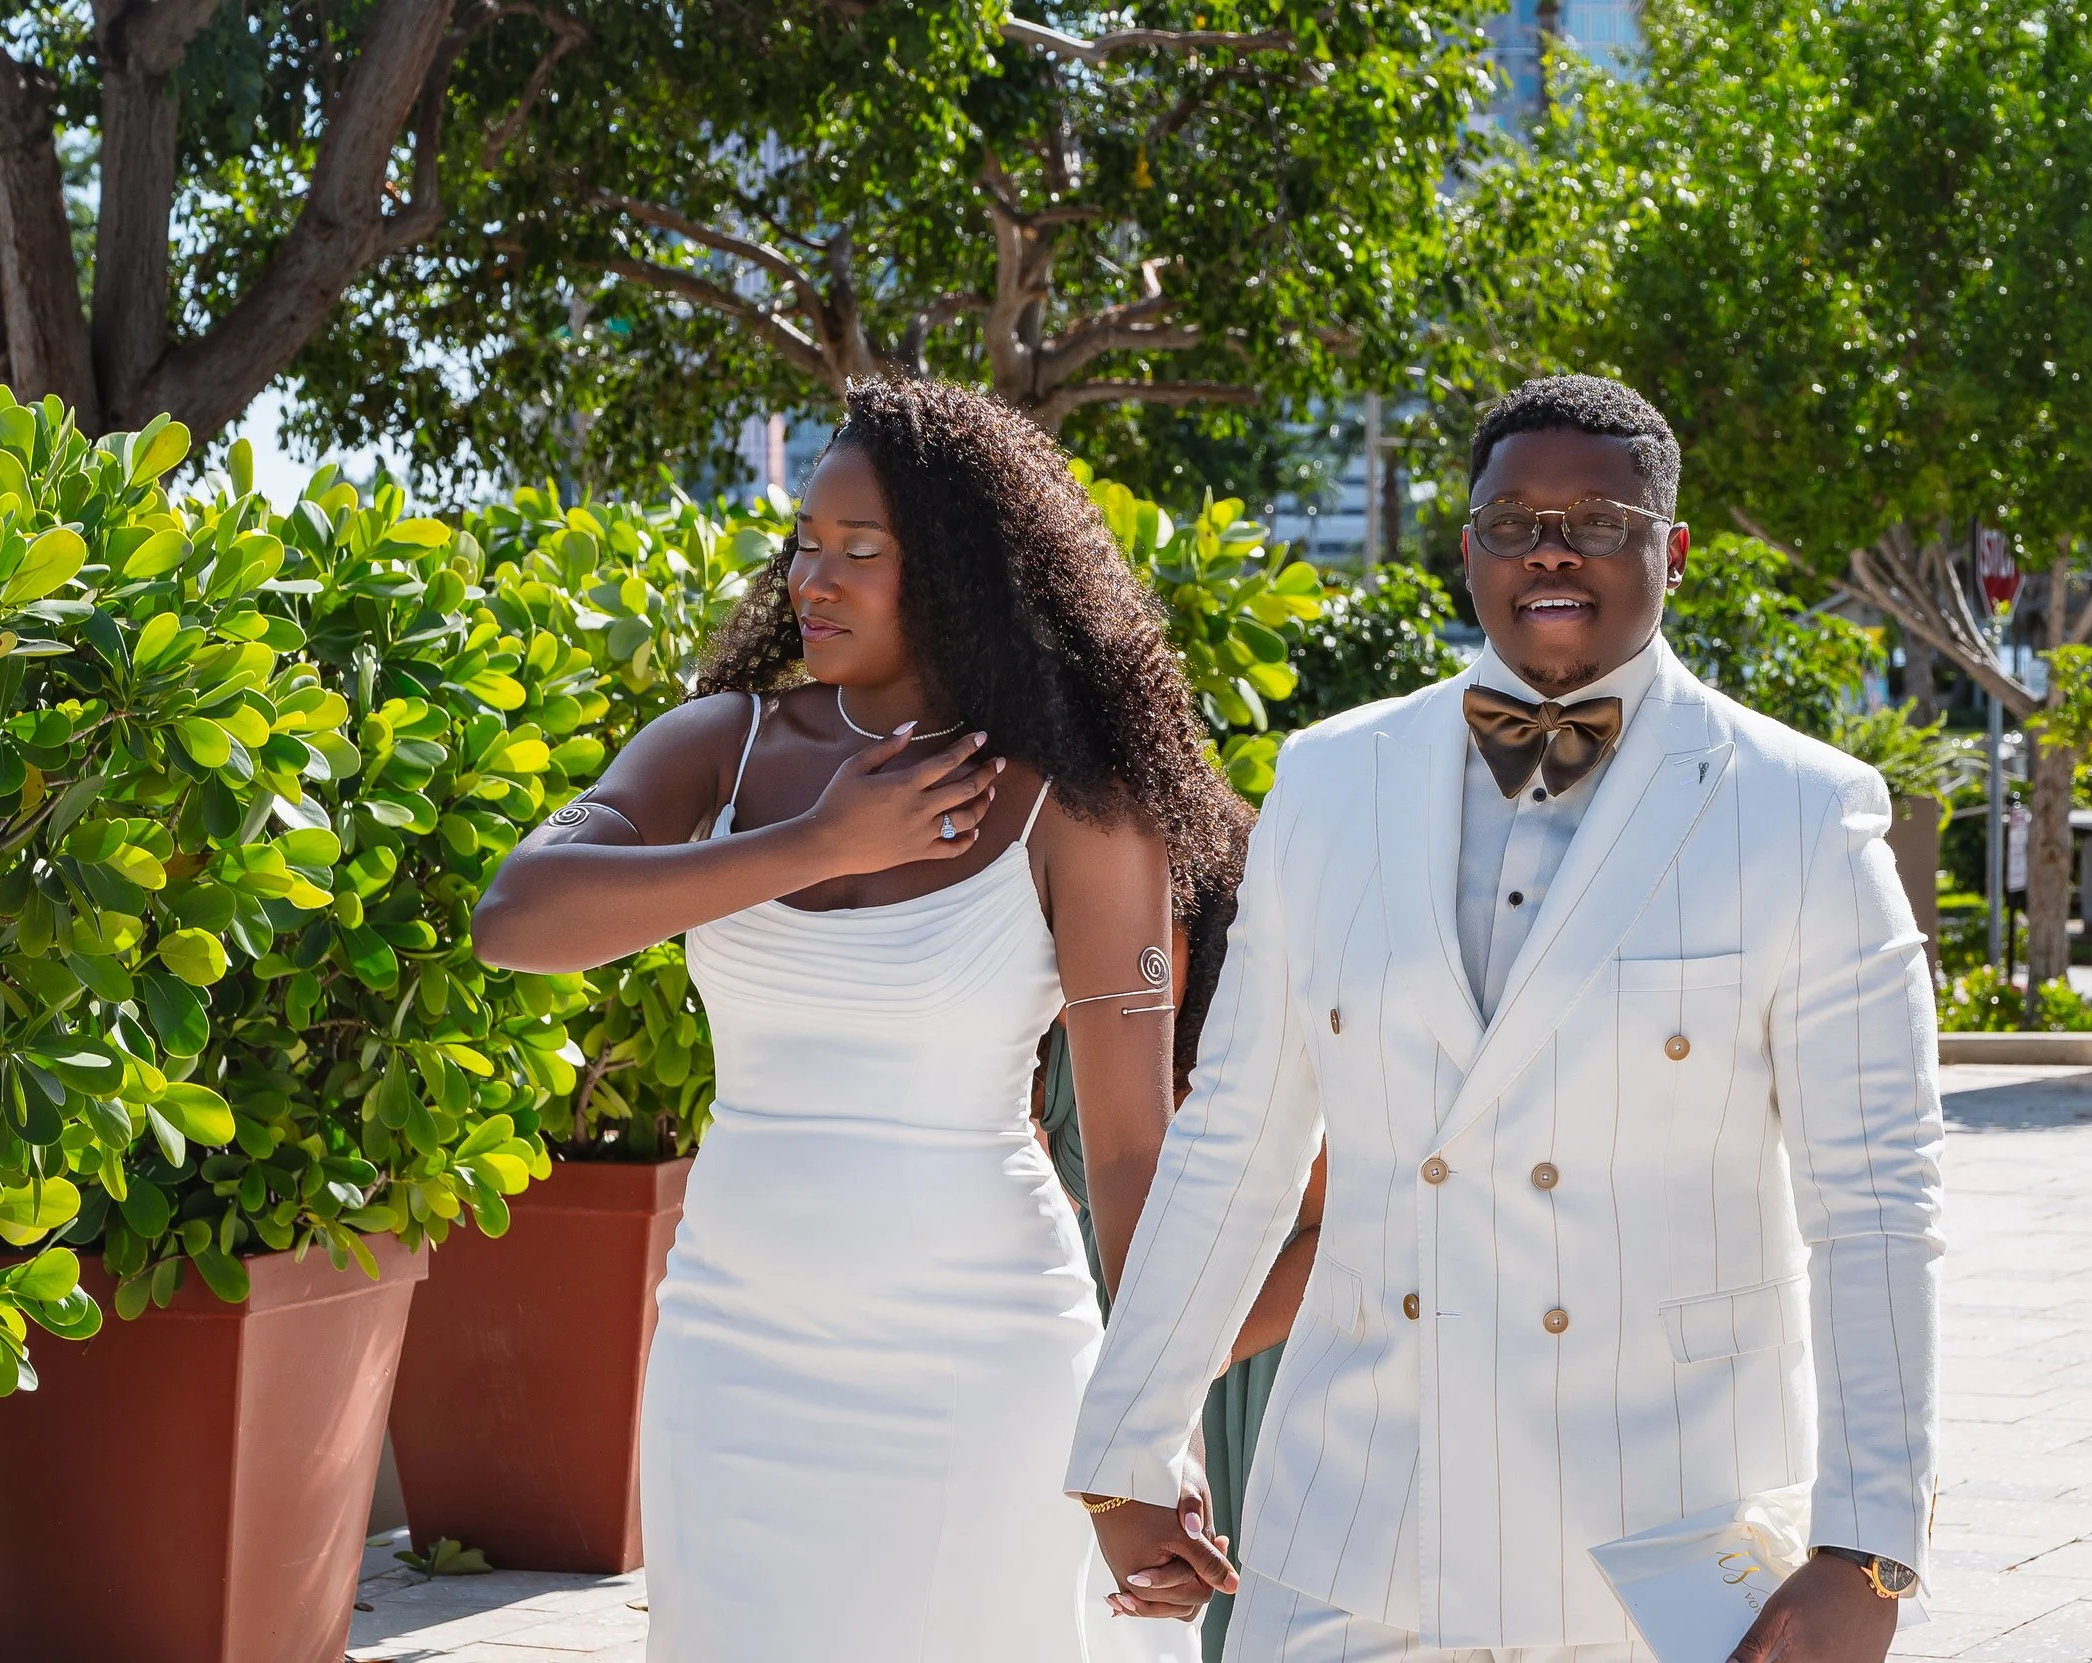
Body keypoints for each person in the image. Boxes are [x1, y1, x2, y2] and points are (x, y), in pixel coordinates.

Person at [1067, 375, 1944, 1662]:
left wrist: (1871, 1545)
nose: (1549, 544)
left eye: (1597, 519)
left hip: (1655, 1550)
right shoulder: (1328, 780)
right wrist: (1128, 1445)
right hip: (1351, 1531)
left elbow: (1877, 1199)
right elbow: (1236, 1142)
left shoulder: (1802, 815)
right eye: (1511, 518)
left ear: (1672, 551)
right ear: (1466, 547)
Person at [471, 376, 1248, 1661]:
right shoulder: (718, 750)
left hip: (982, 1364)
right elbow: (521, 918)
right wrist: (811, 841)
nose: (811, 581)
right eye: (803, 546)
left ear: (954, 573)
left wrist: (1136, 1447)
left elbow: (1128, 1152)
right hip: (730, 1354)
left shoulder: (1081, 804)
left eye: (861, 552)